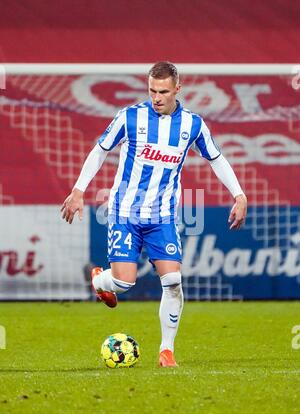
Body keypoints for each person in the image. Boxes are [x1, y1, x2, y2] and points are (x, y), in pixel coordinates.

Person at [61, 61, 247, 367]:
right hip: (124, 212)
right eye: (151, 90)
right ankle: (101, 281)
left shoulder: (193, 125)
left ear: (177, 89)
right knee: (124, 284)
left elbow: (216, 158)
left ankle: (167, 351)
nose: (156, 97)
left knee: (173, 281)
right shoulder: (130, 117)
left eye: (163, 91)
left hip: (162, 216)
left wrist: (239, 195)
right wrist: (79, 190)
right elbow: (100, 150)